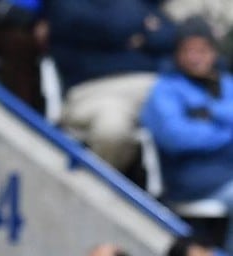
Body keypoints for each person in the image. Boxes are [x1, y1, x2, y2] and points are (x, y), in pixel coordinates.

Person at [46, 0, 176, 173]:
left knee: (194, 106)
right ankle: (93, 193)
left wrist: (134, 33)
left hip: (151, 85)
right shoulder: (67, 5)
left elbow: (169, 34)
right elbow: (102, 24)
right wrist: (139, 28)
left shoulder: (136, 4)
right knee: (111, 129)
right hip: (93, 91)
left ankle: (194, 193)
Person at [140, 16, 233, 254]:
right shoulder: (165, 89)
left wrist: (210, 113)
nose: (195, 57)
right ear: (177, 53)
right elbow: (176, 137)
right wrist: (226, 133)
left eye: (202, 50)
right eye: (188, 50)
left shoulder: (227, 83)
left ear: (213, 53)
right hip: (189, 178)